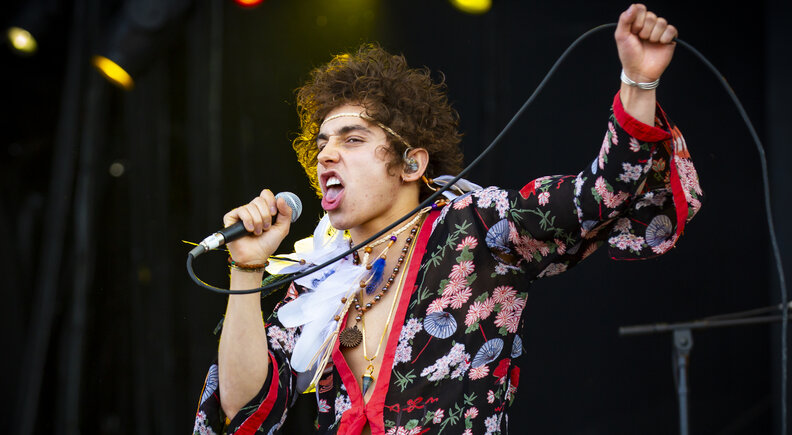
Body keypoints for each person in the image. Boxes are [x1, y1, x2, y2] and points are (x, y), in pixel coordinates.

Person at [193, 4, 702, 434]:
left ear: (412, 164)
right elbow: (241, 410)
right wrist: (247, 268)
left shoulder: (479, 226)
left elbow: (600, 195)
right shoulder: (318, 278)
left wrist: (638, 82)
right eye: (322, 144)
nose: (326, 155)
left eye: (353, 139)